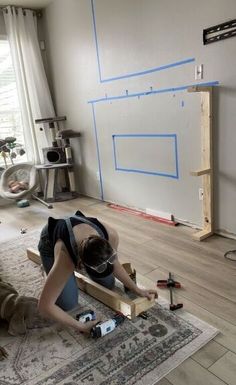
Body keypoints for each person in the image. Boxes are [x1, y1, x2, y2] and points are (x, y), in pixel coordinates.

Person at [38, 210, 157, 335]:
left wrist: (137, 290)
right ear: (82, 265)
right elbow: (44, 307)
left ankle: (66, 277)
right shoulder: (65, 257)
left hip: (77, 227)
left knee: (108, 284)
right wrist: (81, 327)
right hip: (50, 242)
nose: (110, 262)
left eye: (109, 259)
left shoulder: (111, 235)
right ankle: (48, 271)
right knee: (68, 303)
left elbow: (114, 263)